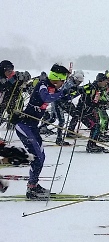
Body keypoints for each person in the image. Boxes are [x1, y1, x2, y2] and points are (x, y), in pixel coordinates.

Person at [12, 63, 71, 198]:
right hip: (24, 125)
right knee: (37, 157)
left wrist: (73, 94)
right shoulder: (43, 85)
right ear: (56, 78)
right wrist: (63, 93)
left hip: (32, 127)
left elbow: (63, 97)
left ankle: (34, 185)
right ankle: (31, 189)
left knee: (41, 157)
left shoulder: (52, 88)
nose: (63, 83)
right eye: (63, 80)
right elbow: (47, 98)